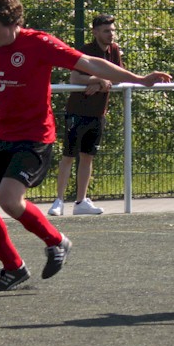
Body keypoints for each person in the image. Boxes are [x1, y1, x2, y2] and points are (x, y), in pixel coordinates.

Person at [0, 0, 171, 292]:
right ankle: (13, 267)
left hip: (33, 137)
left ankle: (57, 242)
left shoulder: (38, 43)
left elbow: (91, 64)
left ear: (13, 21)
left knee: (8, 199)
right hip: (0, 135)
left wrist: (138, 79)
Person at [48, 14, 120, 217]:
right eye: (106, 31)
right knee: (68, 156)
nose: (111, 34)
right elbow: (75, 77)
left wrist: (96, 84)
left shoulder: (114, 51)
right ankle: (59, 201)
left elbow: (118, 75)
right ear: (95, 32)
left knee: (87, 157)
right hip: (77, 111)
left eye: (112, 30)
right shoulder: (85, 52)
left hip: (98, 113)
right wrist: (97, 79)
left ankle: (81, 201)